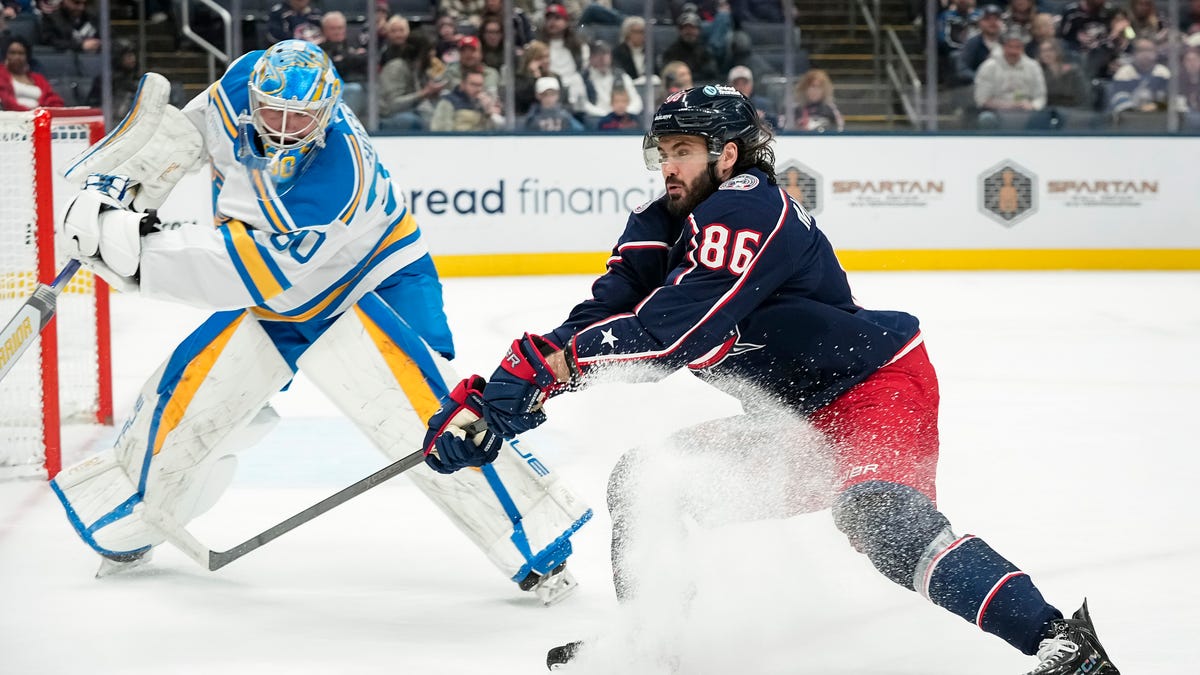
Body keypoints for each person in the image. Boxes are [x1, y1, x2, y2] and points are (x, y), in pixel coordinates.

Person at [421, 87, 1122, 675]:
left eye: (683, 151)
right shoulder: (664, 224)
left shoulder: (749, 206)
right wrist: (499, 398)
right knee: (644, 479)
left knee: (879, 518)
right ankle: (648, 641)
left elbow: (669, 339)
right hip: (794, 416)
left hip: (876, 384)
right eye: (663, 153)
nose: (668, 166)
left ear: (727, 155)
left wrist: (555, 366)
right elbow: (602, 318)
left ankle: (1063, 644)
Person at [49, 40, 589, 605]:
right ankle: (131, 514)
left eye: (298, 118)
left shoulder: (337, 175)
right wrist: (116, 192)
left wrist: (134, 251)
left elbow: (247, 271)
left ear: (328, 112)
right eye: (271, 113)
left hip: (373, 282)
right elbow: (181, 137)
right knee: (186, 391)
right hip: (281, 293)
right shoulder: (241, 85)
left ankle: (537, 543)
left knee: (430, 420)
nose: (281, 129)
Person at [0, 35, 64, 110]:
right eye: (12, 53)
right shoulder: (1, 75)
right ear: (6, 55)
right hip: (14, 117)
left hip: (40, 117)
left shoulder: (38, 78)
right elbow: (6, 101)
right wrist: (29, 113)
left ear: (27, 56)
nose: (17, 57)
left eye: (21, 53)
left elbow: (54, 100)